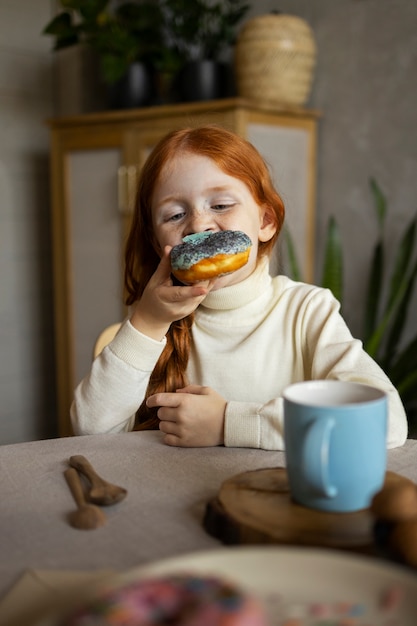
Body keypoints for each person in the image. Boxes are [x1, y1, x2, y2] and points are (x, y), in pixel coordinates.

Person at [71, 125, 407, 449]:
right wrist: (147, 323)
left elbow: (386, 422)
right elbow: (91, 430)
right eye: (174, 215)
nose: (199, 225)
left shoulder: (307, 312)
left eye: (220, 205)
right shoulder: (154, 324)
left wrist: (228, 423)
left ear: (265, 221)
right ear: (159, 245)